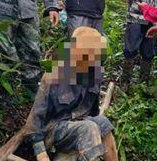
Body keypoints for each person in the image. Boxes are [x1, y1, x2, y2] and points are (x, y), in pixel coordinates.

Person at [30, 26, 118, 161]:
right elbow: (36, 118)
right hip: (54, 130)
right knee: (88, 128)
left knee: (103, 123)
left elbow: (93, 112)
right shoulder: (53, 76)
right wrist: (40, 152)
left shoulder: (95, 73)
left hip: (79, 123)